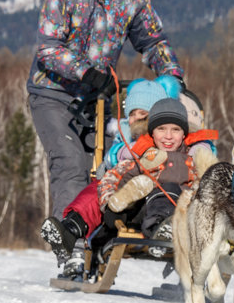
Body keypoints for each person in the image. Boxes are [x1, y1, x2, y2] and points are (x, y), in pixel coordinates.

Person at [27, 0, 184, 227]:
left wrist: (172, 76)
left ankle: (101, 237)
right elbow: (47, 49)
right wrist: (84, 72)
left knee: (110, 164)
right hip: (53, 94)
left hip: (97, 97)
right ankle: (69, 241)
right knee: (71, 162)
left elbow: (153, 41)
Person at [39, 79, 165, 275]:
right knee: (95, 191)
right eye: (132, 114)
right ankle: (71, 229)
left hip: (148, 199)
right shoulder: (124, 137)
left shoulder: (164, 137)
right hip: (116, 192)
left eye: (143, 114)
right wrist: (115, 159)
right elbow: (111, 158)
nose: (137, 118)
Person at [97, 98, 207, 258]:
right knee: (148, 184)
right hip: (142, 213)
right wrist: (108, 204)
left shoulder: (191, 161)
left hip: (182, 215)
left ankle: (168, 227)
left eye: (175, 130)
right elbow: (111, 177)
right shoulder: (143, 155)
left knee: (180, 190)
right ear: (152, 133)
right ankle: (156, 227)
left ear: (184, 134)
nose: (168, 136)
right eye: (161, 129)